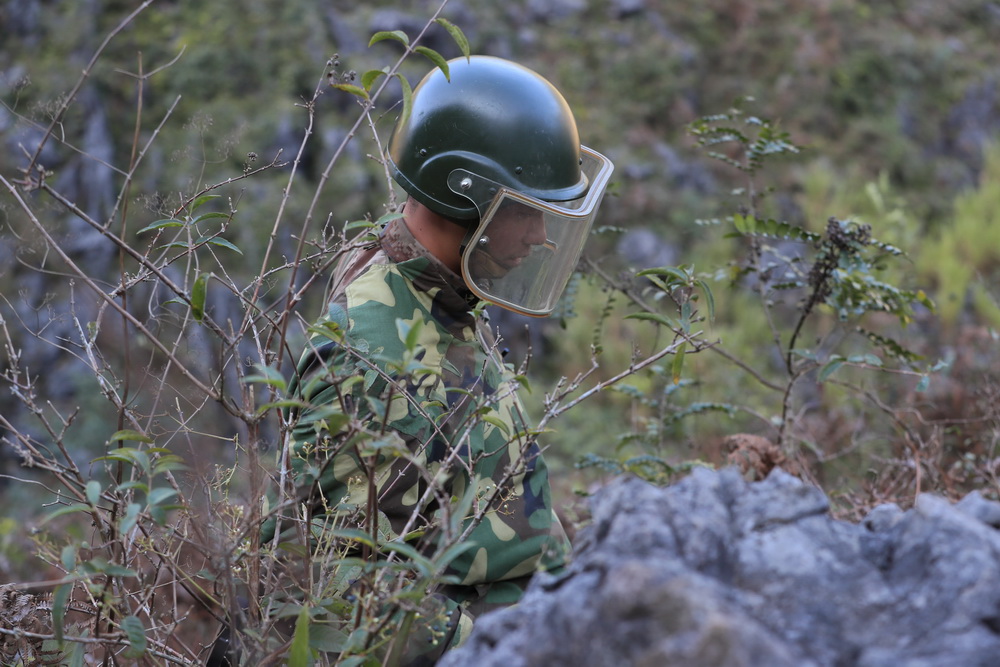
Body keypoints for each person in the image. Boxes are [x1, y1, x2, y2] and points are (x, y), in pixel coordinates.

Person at [269, 54, 614, 662]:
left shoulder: (435, 289)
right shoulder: (376, 358)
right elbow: (326, 582)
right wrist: (489, 648)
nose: (540, 238)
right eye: (528, 211)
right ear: (468, 195)